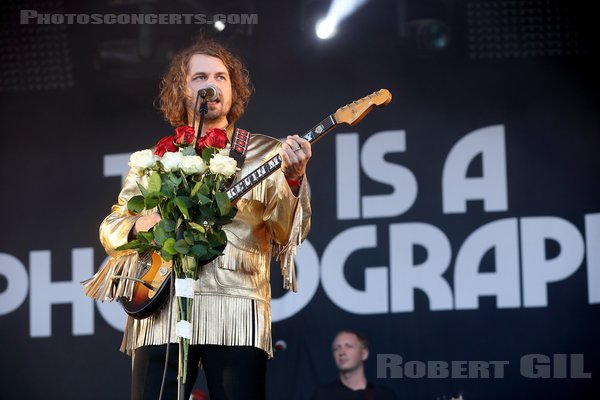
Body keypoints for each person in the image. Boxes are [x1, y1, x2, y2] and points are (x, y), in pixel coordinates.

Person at [83, 37, 312, 400]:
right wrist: (144, 224)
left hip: (236, 309)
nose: (212, 85)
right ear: (182, 90)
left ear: (234, 90)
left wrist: (294, 178)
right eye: (200, 76)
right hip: (162, 309)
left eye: (222, 77)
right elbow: (111, 230)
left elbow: (287, 233)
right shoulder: (153, 161)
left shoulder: (268, 153)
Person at [311, 330, 397, 400]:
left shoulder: (384, 396)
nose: (341, 352)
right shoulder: (322, 396)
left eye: (348, 346)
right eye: (336, 348)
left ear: (364, 353)